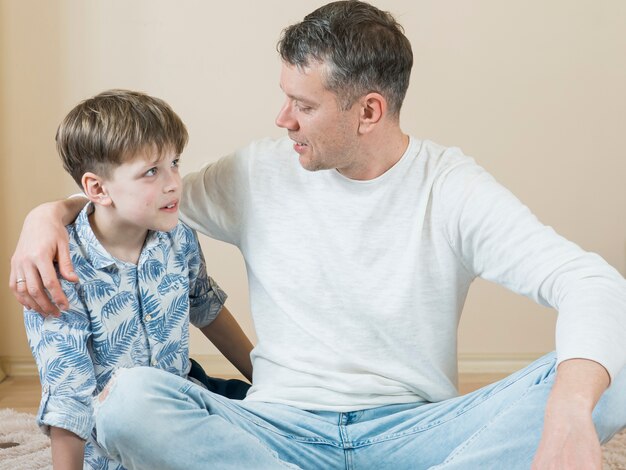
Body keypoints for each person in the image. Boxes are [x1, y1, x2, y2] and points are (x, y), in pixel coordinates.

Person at [10, 2, 626, 469]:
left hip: (414, 434)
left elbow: (590, 281)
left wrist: (570, 412)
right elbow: (136, 198)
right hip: (276, 432)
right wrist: (48, 215)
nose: (283, 120)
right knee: (126, 401)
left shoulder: (451, 186)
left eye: (302, 105)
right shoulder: (258, 171)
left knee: (613, 370)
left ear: (369, 112)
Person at [21, 89, 253, 470]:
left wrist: (264, 382)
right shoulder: (60, 269)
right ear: (97, 188)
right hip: (116, 437)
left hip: (184, 393)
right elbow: (68, 396)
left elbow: (205, 306)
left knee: (281, 419)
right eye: (151, 171)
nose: (174, 182)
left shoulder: (177, 235)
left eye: (174, 163)